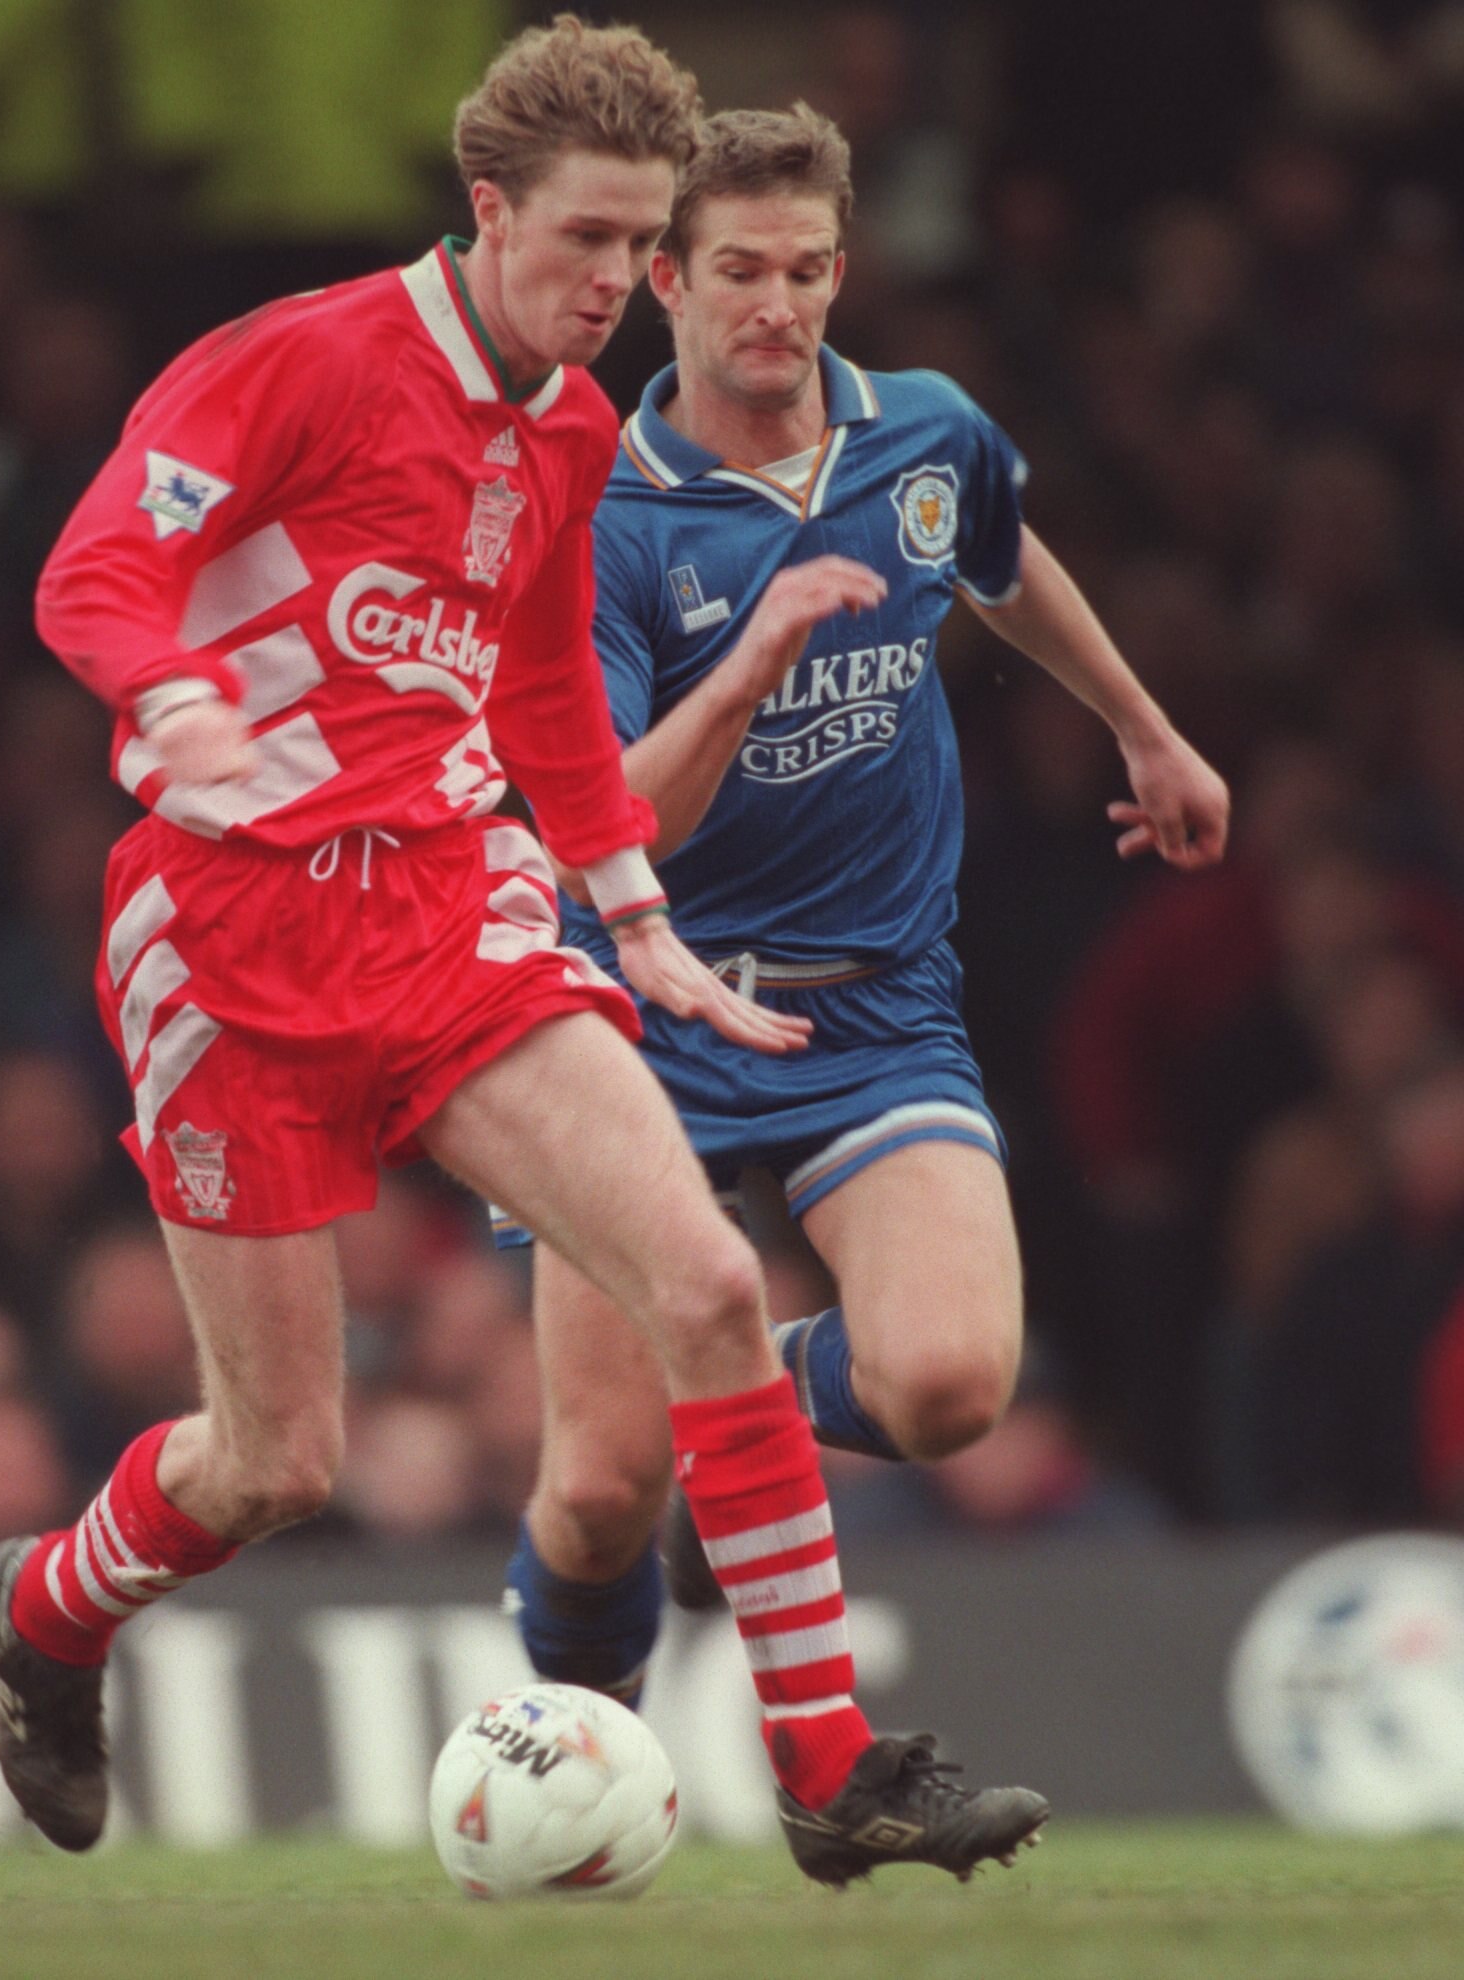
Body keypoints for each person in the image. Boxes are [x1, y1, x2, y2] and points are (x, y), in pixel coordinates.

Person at [0, 19, 1047, 1888]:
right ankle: (51, 1614)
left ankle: (834, 1775)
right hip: (229, 933)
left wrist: (636, 917)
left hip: (452, 905)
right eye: (588, 240)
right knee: (276, 1464)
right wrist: (172, 694)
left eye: (640, 245)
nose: (617, 284)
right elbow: (93, 572)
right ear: (488, 212)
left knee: (708, 1287)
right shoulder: (302, 360)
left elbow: (547, 693)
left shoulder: (566, 434)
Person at [493, 103, 1229, 1772]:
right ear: (668, 281)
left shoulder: (927, 431)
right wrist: (748, 667)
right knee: (601, 1491)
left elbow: (998, 557)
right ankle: (570, 1764)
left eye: (808, 270)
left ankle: (736, 1415)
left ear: (842, 270)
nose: (779, 304)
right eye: (740, 271)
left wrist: (1141, 727)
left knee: (952, 1386)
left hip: (872, 1002)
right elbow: (606, 828)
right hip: (636, 1014)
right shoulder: (599, 511)